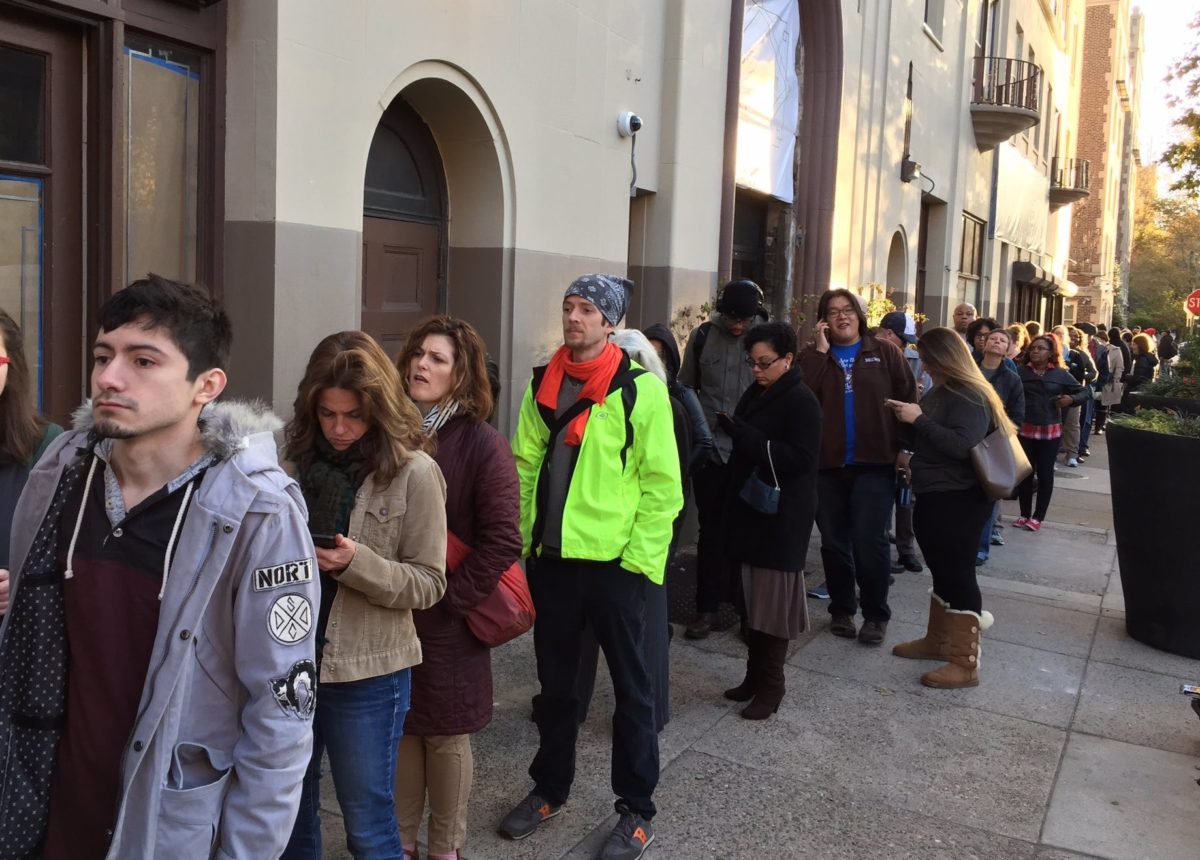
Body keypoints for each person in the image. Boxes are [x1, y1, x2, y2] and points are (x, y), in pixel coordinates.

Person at [0, 276, 317, 858]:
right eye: (103, 356)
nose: (109, 377)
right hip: (42, 813)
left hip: (165, 829)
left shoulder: (257, 514)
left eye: (143, 360)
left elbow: (280, 718)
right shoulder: (59, 474)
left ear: (207, 386)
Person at [500, 274, 681, 860]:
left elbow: (662, 489)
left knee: (633, 694)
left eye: (586, 310)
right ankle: (549, 789)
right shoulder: (541, 386)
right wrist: (523, 548)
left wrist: (637, 565)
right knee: (556, 691)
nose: (573, 317)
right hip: (553, 567)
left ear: (610, 324)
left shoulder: (639, 391)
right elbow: (525, 468)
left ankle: (636, 811)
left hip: (616, 570)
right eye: (568, 306)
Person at [283, 331, 448, 859]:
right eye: (327, 414)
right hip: (286, 663)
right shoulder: (288, 460)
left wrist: (357, 565)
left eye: (352, 415)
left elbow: (429, 583)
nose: (338, 429)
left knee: (369, 826)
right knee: (287, 816)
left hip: (367, 673)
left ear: (376, 410)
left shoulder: (413, 472)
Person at [393, 317, 522, 860]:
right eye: (418, 353)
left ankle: (445, 849)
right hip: (390, 605)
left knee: (444, 733)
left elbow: (502, 541)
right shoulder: (390, 429)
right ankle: (397, 842)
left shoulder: (482, 444)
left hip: (447, 617)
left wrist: (449, 603)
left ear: (462, 375)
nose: (422, 364)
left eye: (438, 358)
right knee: (399, 726)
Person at [885, 328, 1013, 689]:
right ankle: (938, 641)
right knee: (942, 569)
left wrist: (917, 418)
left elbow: (961, 444)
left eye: (926, 357)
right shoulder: (945, 389)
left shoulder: (970, 394)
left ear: (943, 358)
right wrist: (909, 417)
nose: (922, 363)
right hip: (937, 492)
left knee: (958, 574)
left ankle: (964, 662)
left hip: (960, 497)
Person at [574, 328, 682, 734]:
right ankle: (574, 705)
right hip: (590, 546)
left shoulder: (664, 404)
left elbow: (670, 488)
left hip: (640, 549)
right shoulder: (590, 402)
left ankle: (647, 716)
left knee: (644, 644)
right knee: (582, 641)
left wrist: (647, 552)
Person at [798, 289, 916, 645]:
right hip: (827, 465)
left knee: (871, 542)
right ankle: (842, 609)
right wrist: (819, 352)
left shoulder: (884, 352)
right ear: (823, 321)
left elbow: (909, 400)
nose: (841, 317)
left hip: (874, 462)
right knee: (834, 543)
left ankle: (876, 614)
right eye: (832, 312)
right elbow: (801, 397)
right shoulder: (811, 358)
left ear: (860, 316)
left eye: (848, 310)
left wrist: (906, 449)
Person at [720, 322, 821, 718]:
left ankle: (772, 685)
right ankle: (753, 676)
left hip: (782, 515)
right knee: (750, 601)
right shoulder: (760, 391)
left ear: (788, 359)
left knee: (772, 607)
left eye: (764, 363)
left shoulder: (801, 400)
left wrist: (744, 436)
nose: (756, 370)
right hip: (750, 508)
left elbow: (800, 459)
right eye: (752, 363)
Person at [678, 279, 764, 639]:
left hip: (751, 452)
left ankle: (749, 615)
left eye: (744, 319)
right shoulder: (701, 337)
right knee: (710, 533)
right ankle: (707, 609)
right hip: (712, 451)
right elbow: (685, 387)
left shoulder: (768, 340)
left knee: (749, 535)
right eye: (731, 317)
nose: (737, 325)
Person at [0, 310, 63, 604]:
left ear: (11, 367)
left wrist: (23, 580)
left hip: (13, 636)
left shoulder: (46, 445)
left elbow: (67, 550)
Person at [1014, 335, 1088, 531]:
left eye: (1041, 348)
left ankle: (1038, 517)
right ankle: (1023, 514)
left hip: (1050, 431)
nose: (1036, 351)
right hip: (1024, 429)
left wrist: (1070, 399)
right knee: (1025, 474)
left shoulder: (1060, 374)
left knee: (1045, 474)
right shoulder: (1020, 372)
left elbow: (1084, 392)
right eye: (1033, 348)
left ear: (1050, 353)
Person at [874, 311, 925, 574]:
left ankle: (906, 550)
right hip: (877, 440)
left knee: (906, 498)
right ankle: (882, 551)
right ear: (888, 333)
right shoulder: (867, 356)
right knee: (880, 499)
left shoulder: (913, 359)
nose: (905, 346)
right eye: (902, 339)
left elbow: (918, 400)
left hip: (904, 437)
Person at [974, 329, 1024, 566]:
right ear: (984, 344)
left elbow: (1018, 414)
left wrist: (1002, 436)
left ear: (1008, 349)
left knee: (987, 499)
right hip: (966, 438)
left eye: (1002, 340)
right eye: (993, 338)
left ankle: (980, 549)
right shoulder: (969, 369)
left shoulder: (1011, 378)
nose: (996, 341)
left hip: (993, 443)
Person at [642, 322, 714, 475]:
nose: (654, 361)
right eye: (649, 355)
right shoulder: (632, 389)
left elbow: (704, 441)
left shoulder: (682, 394)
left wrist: (680, 475)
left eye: (660, 356)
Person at [1053, 325, 1096, 467]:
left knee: (1072, 424)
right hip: (1053, 394)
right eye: (1056, 333)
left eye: (1062, 334)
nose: (1059, 336)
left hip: (1072, 394)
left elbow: (1089, 372)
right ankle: (1052, 455)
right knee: (1054, 424)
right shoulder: (1047, 352)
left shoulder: (1076, 354)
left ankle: (1072, 453)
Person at [1093, 329, 1123, 434]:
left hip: (1108, 380)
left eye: (1099, 339)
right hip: (1096, 379)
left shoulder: (1115, 350)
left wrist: (1116, 379)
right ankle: (1096, 423)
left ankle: (1099, 426)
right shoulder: (1094, 349)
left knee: (1103, 404)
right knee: (1095, 404)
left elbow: (1119, 366)